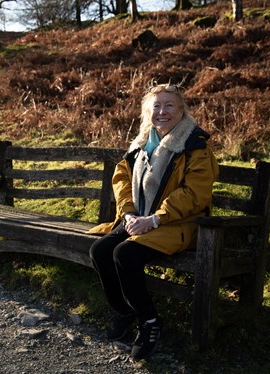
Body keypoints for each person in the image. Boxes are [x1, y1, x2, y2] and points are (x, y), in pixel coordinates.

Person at [88, 84, 219, 360]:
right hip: (139, 219)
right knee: (100, 250)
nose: (162, 112)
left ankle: (149, 322)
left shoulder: (194, 145)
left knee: (125, 253)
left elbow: (195, 194)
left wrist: (155, 219)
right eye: (156, 106)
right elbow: (121, 177)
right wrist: (127, 213)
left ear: (181, 110)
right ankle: (126, 311)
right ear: (148, 111)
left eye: (169, 105)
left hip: (178, 224)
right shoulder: (141, 144)